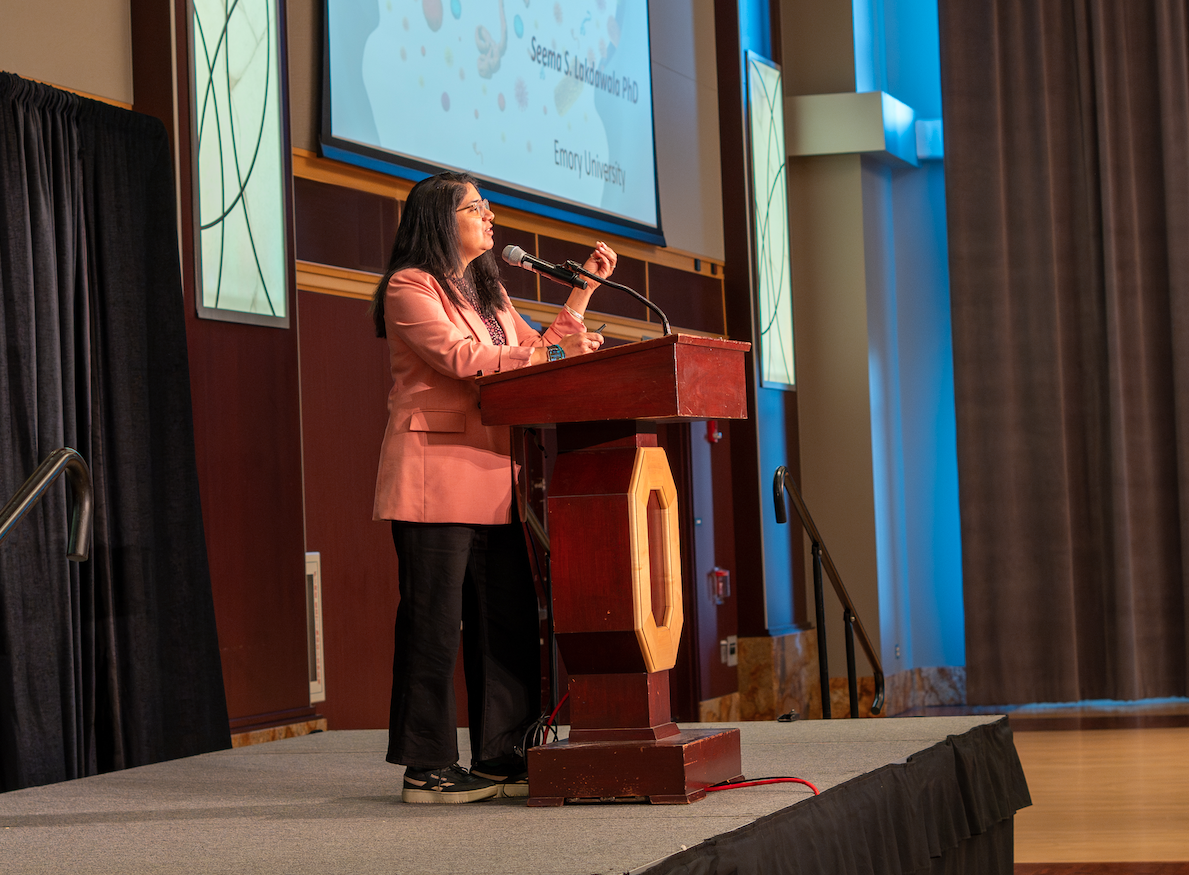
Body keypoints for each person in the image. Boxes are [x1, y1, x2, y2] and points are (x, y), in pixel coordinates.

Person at [369, 171, 616, 803]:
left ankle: (501, 752)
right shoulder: (409, 286)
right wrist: (544, 359)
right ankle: (425, 767)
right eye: (476, 207)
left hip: (489, 472)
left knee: (503, 617)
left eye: (487, 206)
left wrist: (581, 296)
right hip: (433, 476)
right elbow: (460, 359)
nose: (490, 215)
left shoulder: (488, 290)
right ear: (438, 218)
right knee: (433, 623)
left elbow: (538, 352)